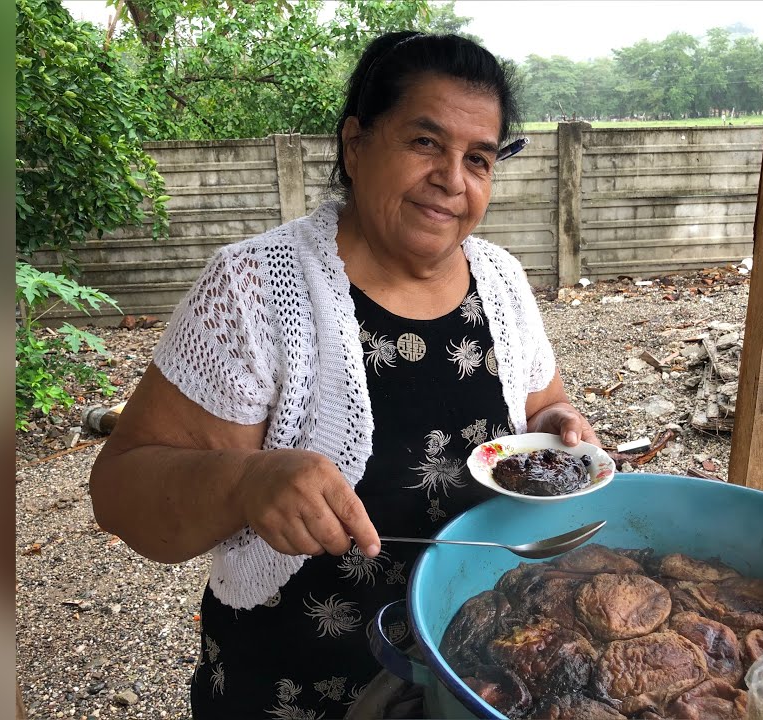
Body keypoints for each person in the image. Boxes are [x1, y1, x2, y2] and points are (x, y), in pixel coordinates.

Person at [89, 31, 598, 718]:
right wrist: (244, 483)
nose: (452, 179)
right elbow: (119, 492)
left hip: (471, 674)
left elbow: (541, 409)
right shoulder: (253, 288)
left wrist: (555, 426)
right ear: (355, 145)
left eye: (478, 158)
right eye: (425, 142)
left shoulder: (502, 282)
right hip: (294, 689)